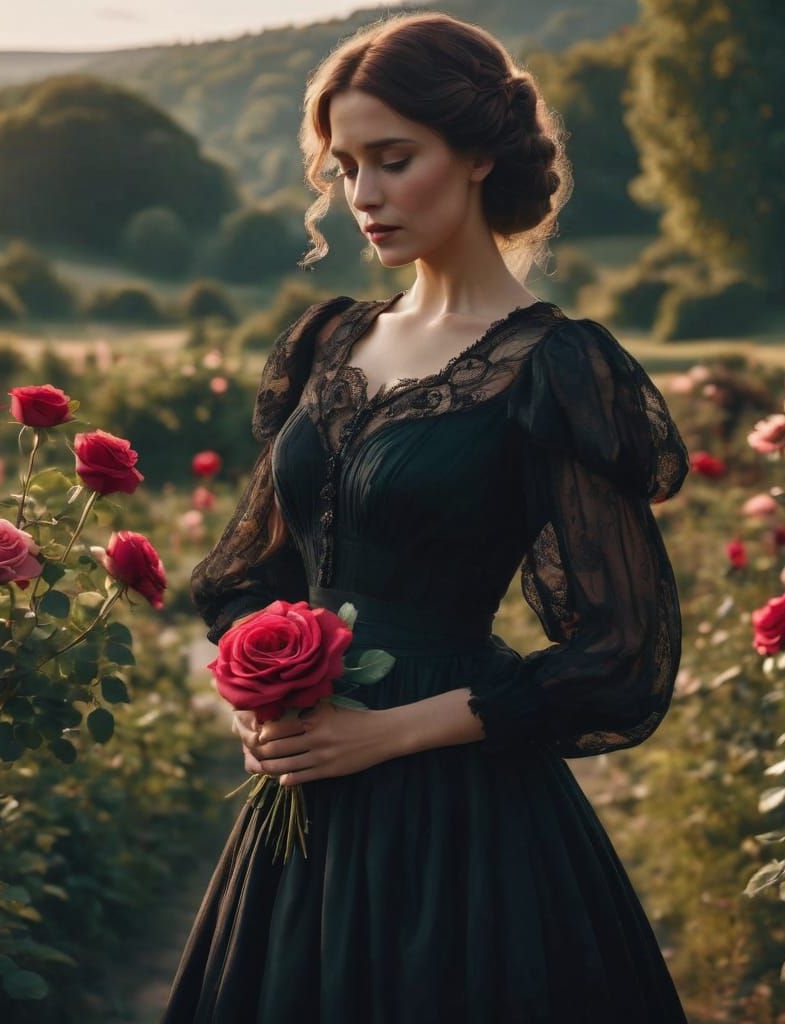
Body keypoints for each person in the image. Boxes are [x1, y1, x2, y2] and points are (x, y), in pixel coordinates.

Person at [163, 11, 691, 1023]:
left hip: (459, 800)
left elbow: (621, 650)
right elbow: (251, 570)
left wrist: (389, 733)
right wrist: (261, 692)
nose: (363, 195)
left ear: (480, 154)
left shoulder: (554, 367)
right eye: (345, 166)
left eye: (393, 160)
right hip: (306, 790)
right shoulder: (326, 340)